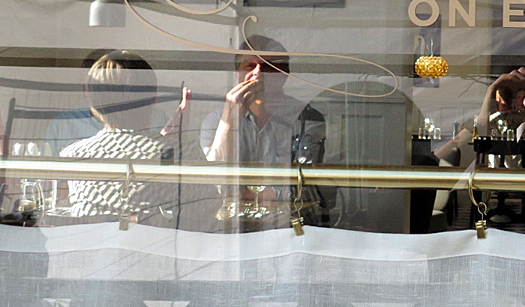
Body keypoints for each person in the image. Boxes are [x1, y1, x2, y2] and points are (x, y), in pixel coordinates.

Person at [200, 35, 326, 222]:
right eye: (249, 66)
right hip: (232, 224)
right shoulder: (216, 120)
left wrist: (261, 195)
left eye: (268, 67)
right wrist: (230, 119)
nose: (257, 74)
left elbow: (303, 182)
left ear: (284, 75)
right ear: (237, 73)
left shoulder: (306, 119)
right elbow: (213, 178)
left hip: (289, 222)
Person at [59, 51, 189, 220]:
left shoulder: (73, 155)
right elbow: (204, 214)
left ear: (91, 100)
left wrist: (165, 147)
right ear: (153, 97)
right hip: (153, 238)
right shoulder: (181, 151)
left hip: (91, 238)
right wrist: (173, 146)